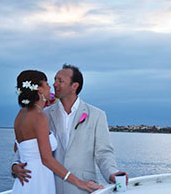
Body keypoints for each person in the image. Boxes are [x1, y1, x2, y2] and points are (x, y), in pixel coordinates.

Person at [12, 65, 128, 194]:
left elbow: (104, 152)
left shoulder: (97, 115)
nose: (54, 84)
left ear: (74, 86)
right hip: (50, 185)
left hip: (83, 188)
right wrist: (15, 165)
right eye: (54, 80)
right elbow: (24, 147)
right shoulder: (43, 114)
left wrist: (112, 173)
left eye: (60, 81)